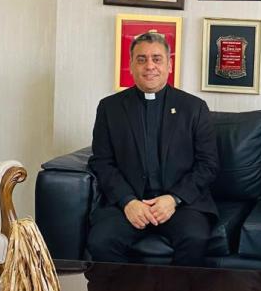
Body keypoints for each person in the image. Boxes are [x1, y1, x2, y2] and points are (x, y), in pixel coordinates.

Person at [87, 32, 219, 267]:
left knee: (195, 238)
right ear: (130, 65)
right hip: (128, 203)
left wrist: (174, 199)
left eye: (157, 59)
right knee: (101, 241)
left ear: (169, 64)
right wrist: (128, 201)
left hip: (180, 204)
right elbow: (102, 162)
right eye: (141, 59)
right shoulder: (110, 108)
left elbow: (208, 165)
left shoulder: (194, 108)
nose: (150, 66)